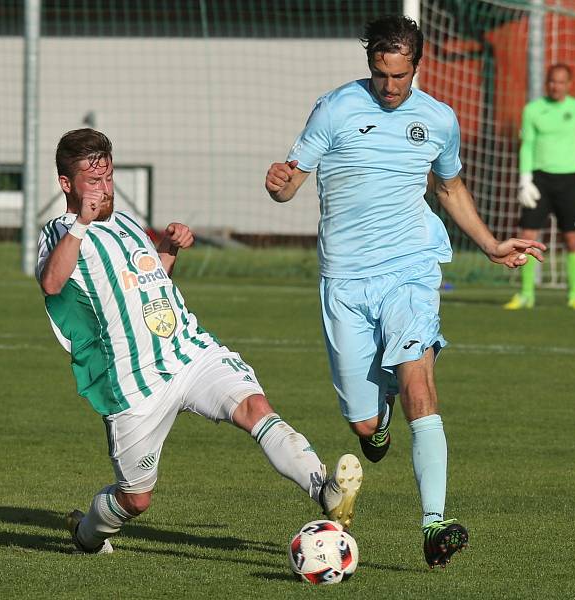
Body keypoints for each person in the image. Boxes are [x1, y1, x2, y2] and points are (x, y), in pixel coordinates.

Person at [264, 15, 545, 569]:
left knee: (420, 385)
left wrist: (489, 245)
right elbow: (291, 181)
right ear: (370, 63)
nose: (390, 88)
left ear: (418, 65)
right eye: (380, 74)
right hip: (345, 279)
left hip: (411, 268)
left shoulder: (438, 119)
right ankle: (378, 420)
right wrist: (278, 186)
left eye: (400, 75)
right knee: (364, 426)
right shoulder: (335, 108)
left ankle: (434, 523)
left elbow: (448, 185)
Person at [36, 128, 363, 555]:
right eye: (93, 181)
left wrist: (168, 250)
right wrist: (81, 221)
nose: (104, 189)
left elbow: (151, 288)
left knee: (254, 407)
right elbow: (52, 282)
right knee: (136, 499)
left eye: (109, 178)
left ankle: (325, 490)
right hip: (133, 382)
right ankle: (88, 535)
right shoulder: (61, 231)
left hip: (188, 351)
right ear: (67, 184)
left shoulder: (128, 225)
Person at [505, 62, 575, 312]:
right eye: (552, 81)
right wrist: (525, 178)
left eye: (561, 82)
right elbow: (527, 145)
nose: (555, 86)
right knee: (527, 238)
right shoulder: (533, 110)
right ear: (546, 82)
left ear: (569, 85)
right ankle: (526, 294)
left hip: (571, 181)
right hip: (539, 181)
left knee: (572, 239)